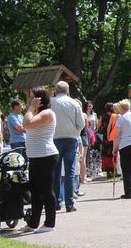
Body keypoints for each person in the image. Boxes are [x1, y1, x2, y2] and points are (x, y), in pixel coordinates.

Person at [21, 87, 59, 233]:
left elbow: (27, 124)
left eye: (32, 97)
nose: (29, 100)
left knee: (46, 191)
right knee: (35, 191)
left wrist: (31, 108)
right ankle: (33, 223)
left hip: (46, 156)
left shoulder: (47, 113)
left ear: (40, 99)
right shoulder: (35, 113)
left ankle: (50, 224)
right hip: (35, 157)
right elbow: (27, 123)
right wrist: (31, 109)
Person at [51, 81, 85, 213]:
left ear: (56, 90)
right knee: (70, 172)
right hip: (71, 138)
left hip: (54, 139)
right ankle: (69, 204)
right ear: (68, 90)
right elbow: (81, 123)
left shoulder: (50, 103)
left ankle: (56, 202)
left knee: (56, 172)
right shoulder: (74, 103)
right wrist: (75, 132)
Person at [85, 101, 101, 179]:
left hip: (93, 134)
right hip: (86, 133)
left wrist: (95, 131)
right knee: (87, 152)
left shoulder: (94, 114)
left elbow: (97, 125)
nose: (90, 107)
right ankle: (87, 170)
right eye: (88, 106)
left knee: (94, 152)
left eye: (91, 106)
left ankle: (96, 170)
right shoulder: (84, 114)